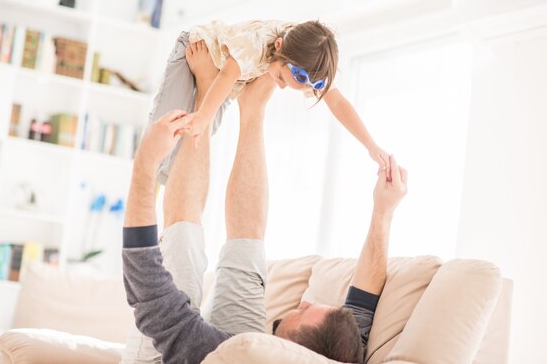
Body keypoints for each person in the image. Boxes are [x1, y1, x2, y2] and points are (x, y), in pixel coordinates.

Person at [121, 53, 408, 363]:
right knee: (247, 253)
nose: (305, 302)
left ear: (294, 350)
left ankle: (206, 88)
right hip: (253, 346)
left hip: (172, 355)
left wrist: (145, 165)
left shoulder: (202, 349)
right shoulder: (335, 356)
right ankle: (253, 104)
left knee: (183, 247)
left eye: (303, 311)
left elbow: (149, 292)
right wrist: (384, 211)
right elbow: (363, 302)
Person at [149, 19, 391, 188]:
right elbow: (225, 76)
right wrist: (201, 118)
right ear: (279, 47)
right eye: (281, 78)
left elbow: (337, 103)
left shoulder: (308, 58)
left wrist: (371, 145)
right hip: (197, 49)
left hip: (223, 75)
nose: (281, 86)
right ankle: (149, 172)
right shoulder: (255, 42)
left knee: (197, 142)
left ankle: (167, 192)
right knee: (169, 124)